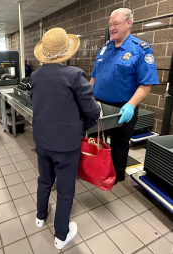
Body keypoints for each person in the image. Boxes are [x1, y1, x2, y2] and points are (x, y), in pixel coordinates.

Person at [31, 28, 100, 250]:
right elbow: (91, 110)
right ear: (66, 52)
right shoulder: (74, 75)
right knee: (65, 188)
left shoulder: (35, 76)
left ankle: (40, 216)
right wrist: (84, 124)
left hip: (41, 139)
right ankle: (61, 235)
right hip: (66, 145)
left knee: (44, 179)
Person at [90, 8, 159, 183]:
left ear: (128, 23)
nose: (112, 28)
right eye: (110, 25)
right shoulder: (105, 48)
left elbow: (146, 84)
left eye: (116, 24)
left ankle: (117, 176)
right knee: (94, 140)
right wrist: (87, 96)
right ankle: (95, 170)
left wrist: (130, 105)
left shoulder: (140, 49)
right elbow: (94, 76)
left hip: (123, 108)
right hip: (98, 105)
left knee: (119, 146)